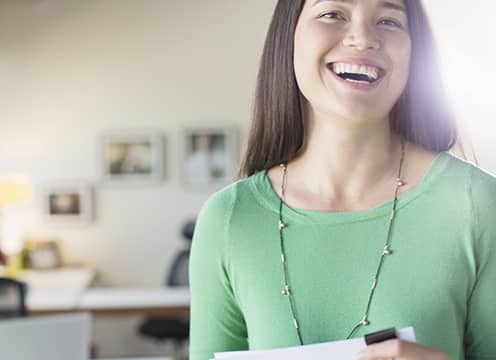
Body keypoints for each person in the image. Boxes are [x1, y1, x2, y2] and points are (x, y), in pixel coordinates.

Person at [189, 1, 495, 360]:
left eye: (388, 20)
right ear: (288, 37)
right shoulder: (228, 220)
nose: (363, 38)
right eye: (332, 14)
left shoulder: (478, 205)